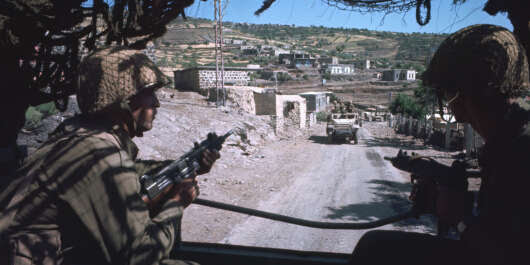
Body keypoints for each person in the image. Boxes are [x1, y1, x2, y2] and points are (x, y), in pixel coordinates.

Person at [0, 47, 220, 265]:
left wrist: (188, 165)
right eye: (149, 94)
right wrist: (177, 203)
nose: (156, 103)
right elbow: (140, 256)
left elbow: (129, 172)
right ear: (123, 101)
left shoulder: (79, 136)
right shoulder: (98, 153)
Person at [350, 24, 530, 265]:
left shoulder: (518, 152)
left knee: (373, 248)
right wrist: (458, 199)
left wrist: (459, 217)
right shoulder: (509, 138)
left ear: (457, 96)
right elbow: (505, 216)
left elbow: (504, 253)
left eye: (445, 93)